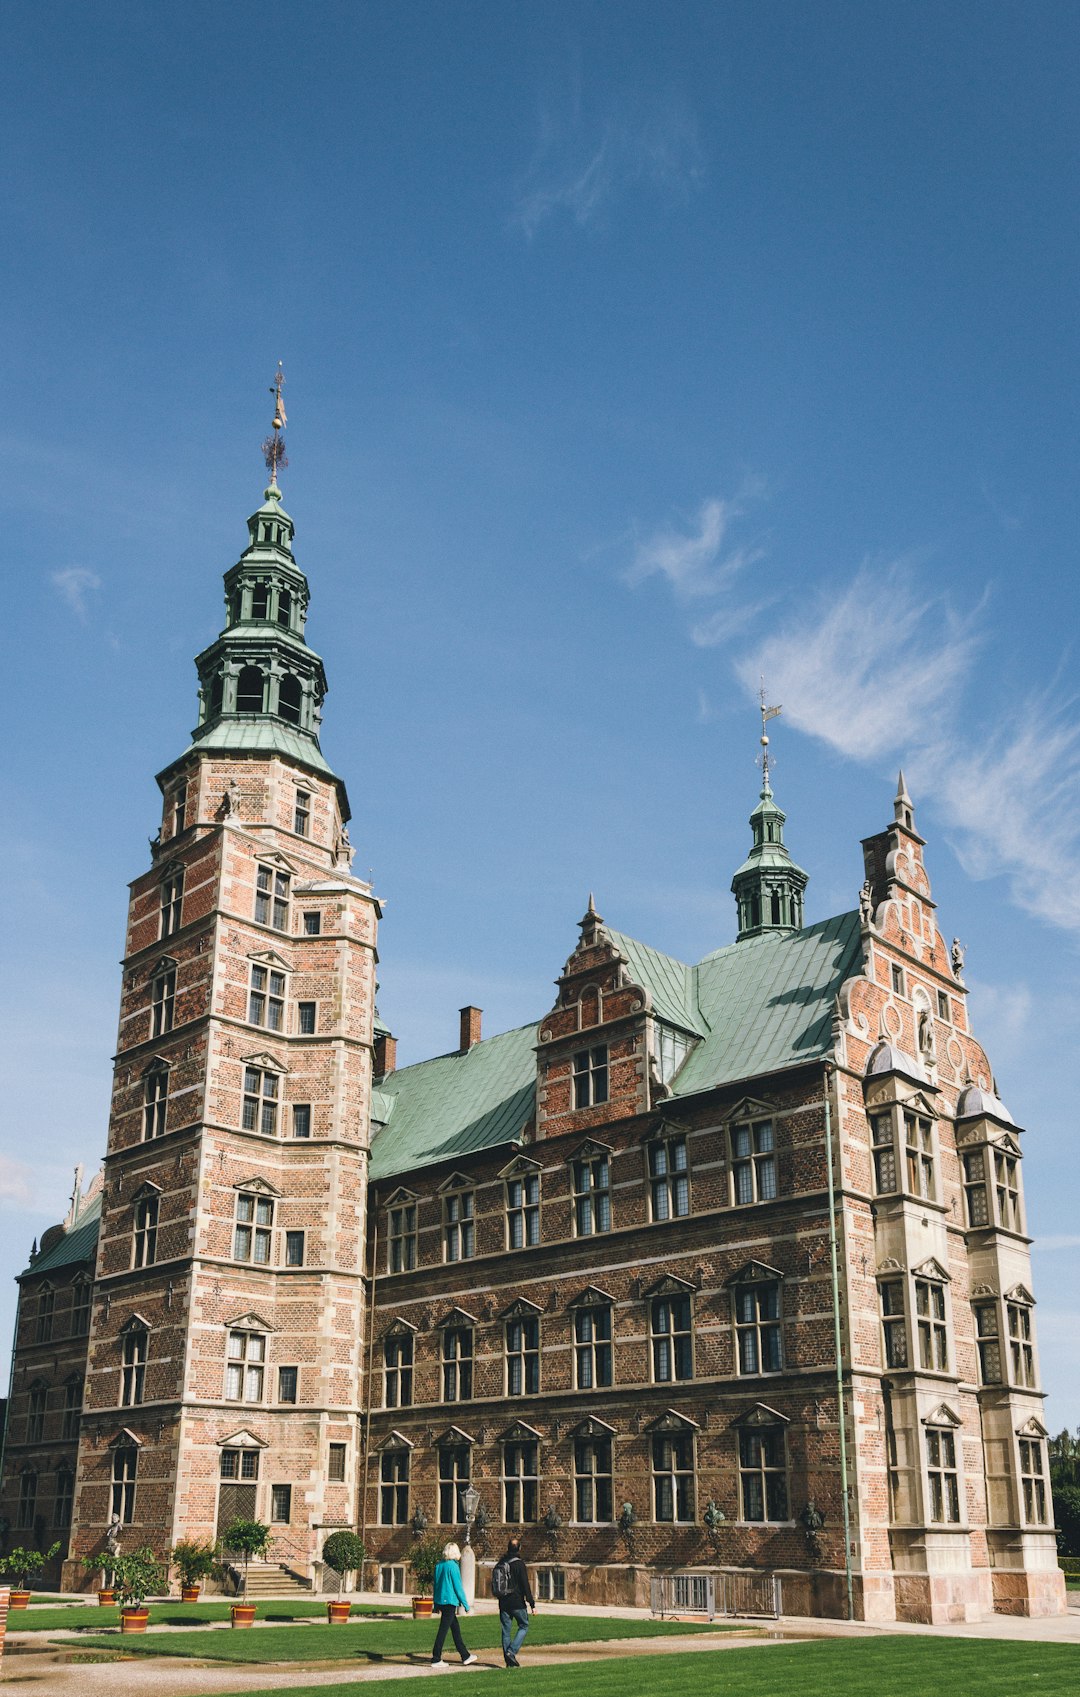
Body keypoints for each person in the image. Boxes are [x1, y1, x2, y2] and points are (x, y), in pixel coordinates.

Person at [431, 1542, 477, 1669]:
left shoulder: (439, 1565)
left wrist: (435, 1603)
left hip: (441, 1601)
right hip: (450, 1601)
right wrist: (466, 1605)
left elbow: (435, 1586)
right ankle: (436, 1657)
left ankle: (465, 1655)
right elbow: (458, 1587)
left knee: (455, 1629)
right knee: (443, 1630)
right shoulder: (453, 1566)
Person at [493, 1536, 536, 1668]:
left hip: (503, 1602)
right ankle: (511, 1652)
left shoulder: (501, 1562)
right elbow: (525, 1585)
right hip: (517, 1601)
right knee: (524, 1625)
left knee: (506, 1630)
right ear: (519, 1549)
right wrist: (532, 1604)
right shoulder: (519, 1564)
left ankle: (508, 1660)